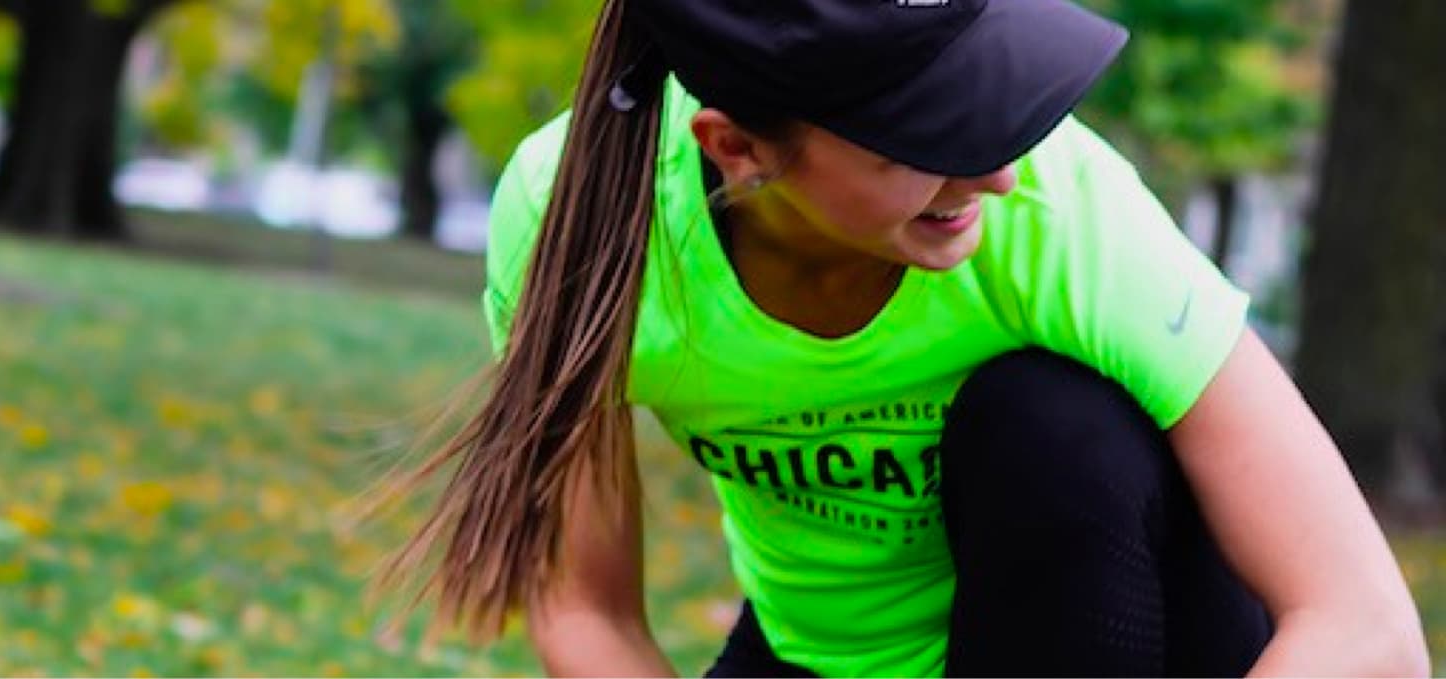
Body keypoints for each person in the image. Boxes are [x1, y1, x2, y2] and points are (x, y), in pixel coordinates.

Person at [378, 0, 1429, 676]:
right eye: (935, 134)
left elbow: (1366, 626)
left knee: (1052, 420)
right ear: (737, 147)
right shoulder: (584, 217)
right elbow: (588, 612)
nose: (999, 172)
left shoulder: (1062, 213)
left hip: (1134, 641)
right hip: (825, 655)